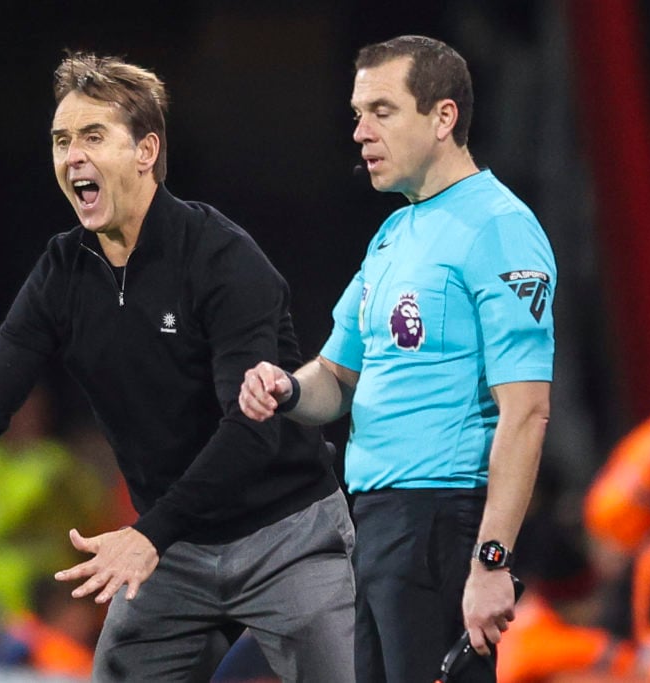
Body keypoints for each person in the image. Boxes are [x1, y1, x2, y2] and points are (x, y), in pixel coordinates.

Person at [0, 52, 356, 682]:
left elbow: (251, 428)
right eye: (61, 140)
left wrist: (150, 533)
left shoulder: (222, 257)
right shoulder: (62, 273)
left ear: (146, 151)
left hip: (285, 536)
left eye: (92, 136)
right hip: (175, 548)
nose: (72, 155)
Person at [238, 35, 556, 683]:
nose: (359, 132)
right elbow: (335, 378)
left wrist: (492, 559)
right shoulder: (392, 235)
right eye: (357, 113)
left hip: (444, 523)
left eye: (381, 111)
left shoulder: (499, 227)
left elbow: (527, 411)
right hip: (376, 526)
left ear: (443, 117)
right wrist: (284, 389)